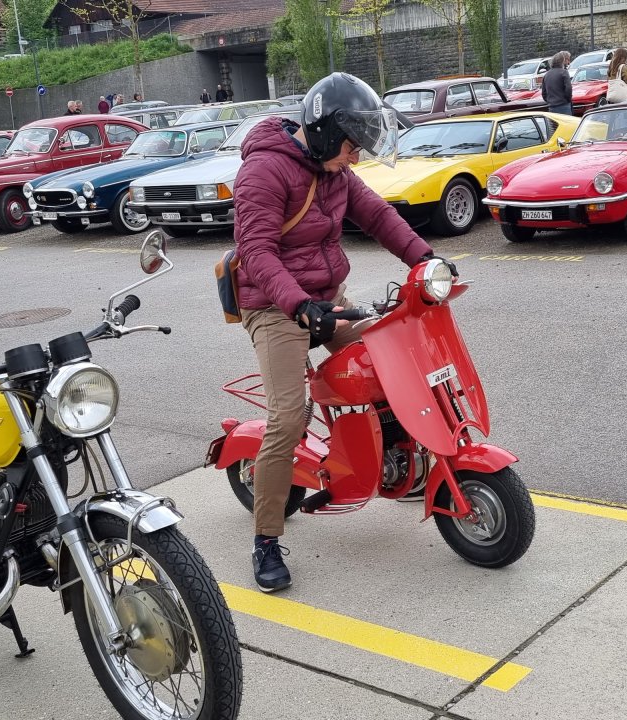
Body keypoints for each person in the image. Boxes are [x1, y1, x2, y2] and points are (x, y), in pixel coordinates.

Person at [232, 72, 456, 592]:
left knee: (391, 364)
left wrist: (426, 259)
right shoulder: (264, 171)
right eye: (352, 146)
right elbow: (256, 253)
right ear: (327, 132)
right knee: (290, 417)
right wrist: (299, 305)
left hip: (327, 300)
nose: (355, 158)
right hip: (274, 306)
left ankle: (390, 462)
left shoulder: (334, 172)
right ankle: (265, 541)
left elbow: (377, 216)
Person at [542, 51, 574, 115]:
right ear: (562, 61)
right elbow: (568, 88)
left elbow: (544, 93)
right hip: (564, 105)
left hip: (552, 107)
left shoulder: (546, 75)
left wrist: (549, 101)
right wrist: (567, 100)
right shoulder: (564, 72)